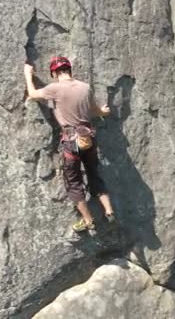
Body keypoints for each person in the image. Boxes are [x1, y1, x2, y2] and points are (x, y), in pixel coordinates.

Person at [23, 57, 115, 232]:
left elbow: (33, 94)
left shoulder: (54, 89)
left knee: (73, 182)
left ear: (54, 73)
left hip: (71, 142)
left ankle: (88, 220)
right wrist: (104, 112)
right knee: (94, 173)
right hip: (88, 138)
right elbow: (94, 110)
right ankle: (109, 211)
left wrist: (28, 75)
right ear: (69, 70)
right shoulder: (85, 87)